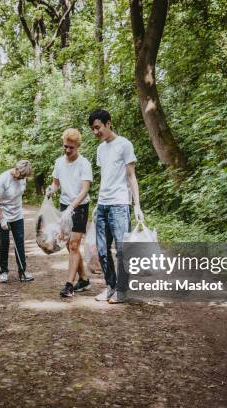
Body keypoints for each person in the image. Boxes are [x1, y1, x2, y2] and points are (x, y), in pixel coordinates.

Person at [89, 109, 143, 304]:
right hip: (103, 205)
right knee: (102, 250)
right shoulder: (100, 149)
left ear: (108, 123)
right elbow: (106, 177)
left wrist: (136, 205)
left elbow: (131, 177)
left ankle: (123, 290)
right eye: (93, 129)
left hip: (120, 205)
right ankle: (111, 286)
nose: (95, 132)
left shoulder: (124, 144)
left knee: (122, 250)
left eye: (98, 127)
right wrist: (97, 203)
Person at [46, 129, 93, 298]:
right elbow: (56, 184)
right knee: (68, 245)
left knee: (74, 245)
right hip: (64, 205)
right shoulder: (59, 162)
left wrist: (71, 208)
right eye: (65, 146)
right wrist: (51, 190)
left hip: (79, 206)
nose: (67, 150)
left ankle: (69, 285)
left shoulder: (84, 164)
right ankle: (84, 279)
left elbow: (84, 190)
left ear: (78, 146)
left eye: (71, 147)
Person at [0, 160, 34, 283]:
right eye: (20, 175)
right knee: (5, 242)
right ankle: (4, 272)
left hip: (17, 215)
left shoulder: (22, 178)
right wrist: (2, 220)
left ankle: (22, 271)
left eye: (24, 177)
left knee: (19, 242)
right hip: (2, 214)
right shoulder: (4, 178)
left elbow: (18, 195)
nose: (21, 178)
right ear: (16, 169)